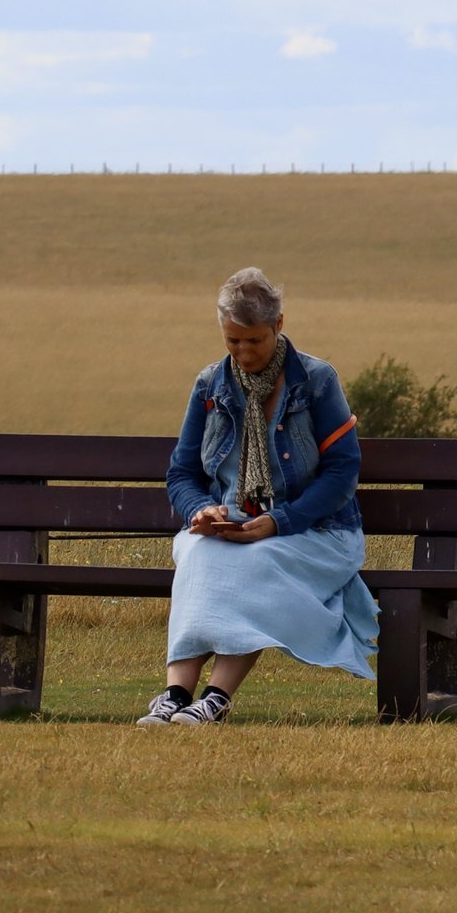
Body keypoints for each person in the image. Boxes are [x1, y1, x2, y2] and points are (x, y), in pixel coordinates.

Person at [139, 267, 378, 724]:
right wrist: (201, 510)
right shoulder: (210, 385)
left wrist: (279, 522)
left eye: (255, 341)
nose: (244, 353)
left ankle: (216, 698)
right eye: (233, 341)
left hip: (316, 533)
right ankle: (174, 694)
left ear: (279, 326)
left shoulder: (317, 380)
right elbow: (182, 474)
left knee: (256, 561)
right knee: (198, 552)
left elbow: (343, 472)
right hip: (231, 526)